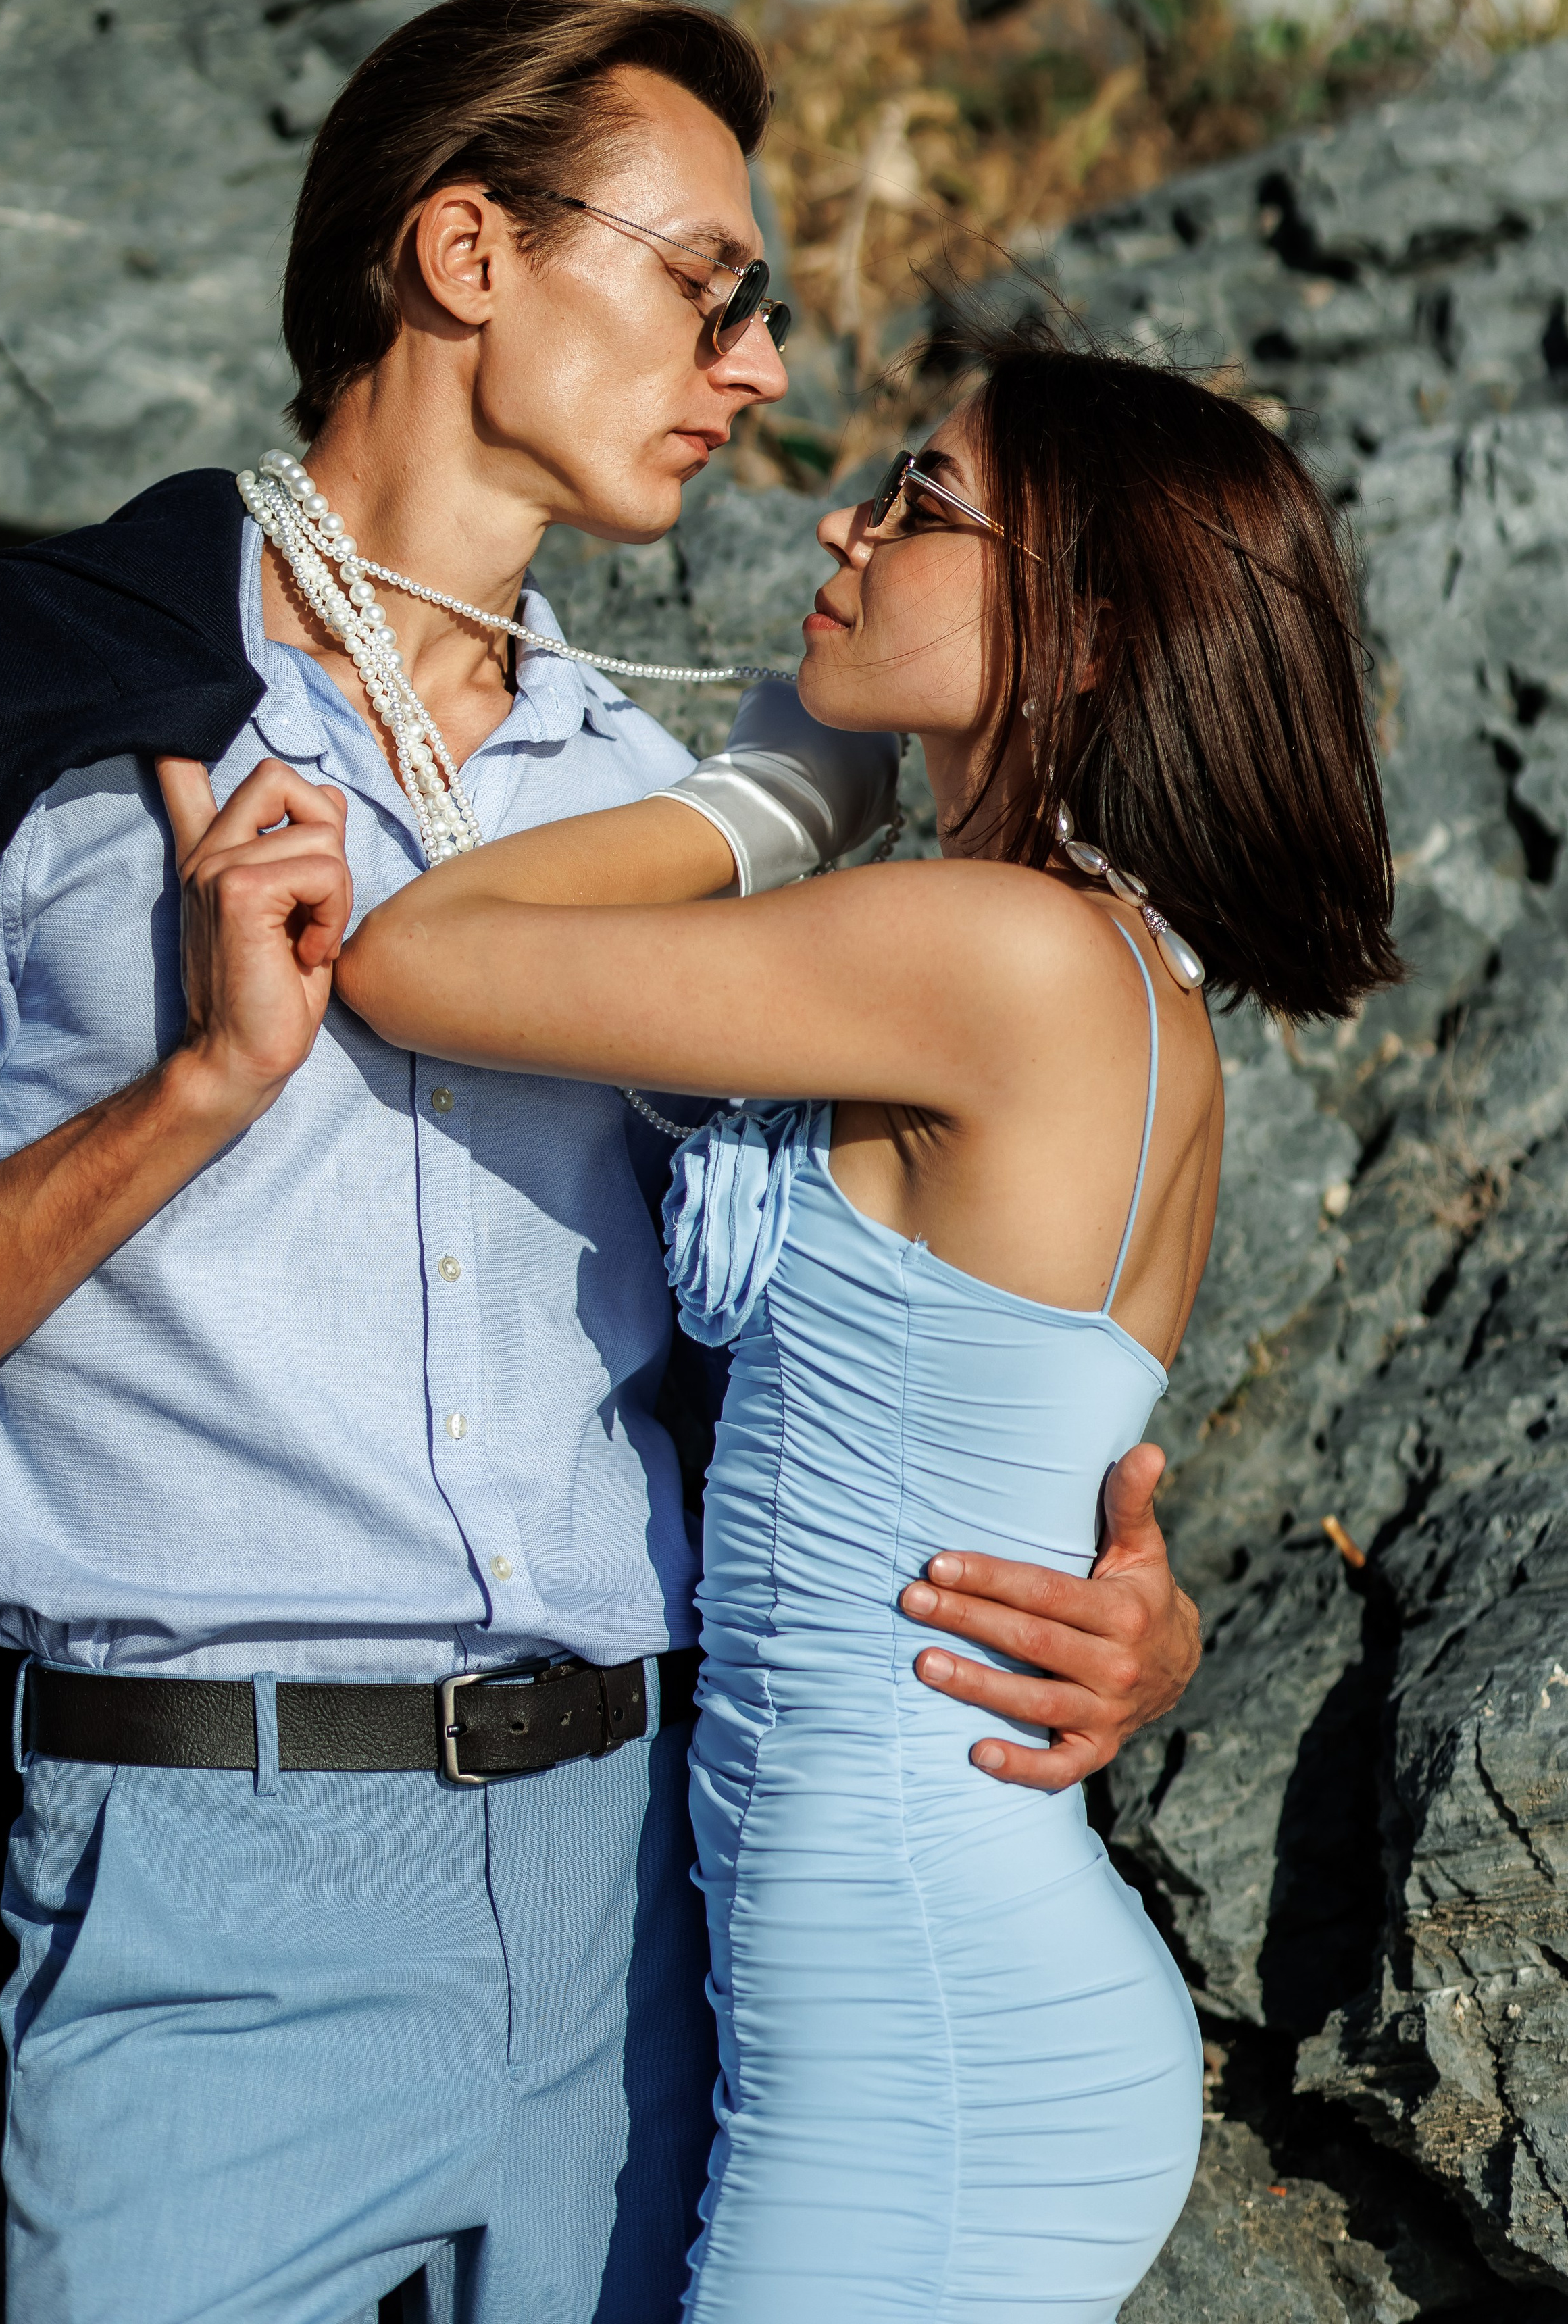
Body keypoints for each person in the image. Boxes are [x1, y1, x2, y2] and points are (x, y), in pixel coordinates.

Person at [0, 0, 1200, 2321]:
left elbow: (887, 1331)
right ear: (467, 254)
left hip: (654, 1918)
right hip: (193, 1896)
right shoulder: (51, 721)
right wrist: (186, 1103)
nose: (762, 366)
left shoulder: (653, 829)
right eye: (706, 285)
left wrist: (1113, 1595)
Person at [313, 332, 1404, 2319]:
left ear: (1080, 638)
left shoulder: (996, 954)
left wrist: (771, 798)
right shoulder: (1087, 963)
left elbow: (416, 954)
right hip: (904, 1983)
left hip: (931, 2018)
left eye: (922, 500)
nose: (844, 522)